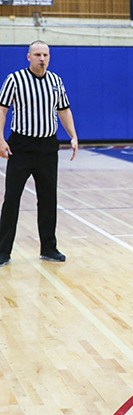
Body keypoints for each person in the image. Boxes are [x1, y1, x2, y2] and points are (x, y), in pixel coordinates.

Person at [0, 40, 79, 268]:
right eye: (37, 54)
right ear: (28, 57)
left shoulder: (56, 81)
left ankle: (48, 248)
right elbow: (2, 109)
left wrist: (73, 135)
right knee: (12, 198)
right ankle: (3, 251)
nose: (42, 58)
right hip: (21, 147)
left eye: (45, 54)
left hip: (47, 147)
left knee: (48, 199)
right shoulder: (15, 80)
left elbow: (63, 109)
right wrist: (1, 139)